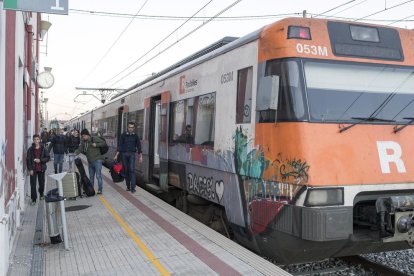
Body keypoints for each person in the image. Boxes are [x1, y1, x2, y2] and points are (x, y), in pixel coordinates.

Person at [75, 128, 106, 194]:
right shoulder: (84, 142)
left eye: (84, 136)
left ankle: (100, 190)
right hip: (90, 162)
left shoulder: (94, 138)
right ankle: (91, 190)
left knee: (98, 176)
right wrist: (74, 154)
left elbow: (103, 143)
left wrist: (96, 145)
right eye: (82, 136)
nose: (83, 137)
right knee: (91, 177)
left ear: (87, 135)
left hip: (97, 161)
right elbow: (79, 149)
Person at [114, 122, 142, 193]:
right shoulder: (123, 135)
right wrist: (116, 155)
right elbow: (120, 145)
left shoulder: (135, 136)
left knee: (132, 170)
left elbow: (139, 146)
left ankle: (133, 187)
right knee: (126, 170)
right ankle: (128, 186)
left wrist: (140, 156)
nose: (130, 129)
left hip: (132, 154)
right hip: (124, 154)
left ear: (134, 128)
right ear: (127, 127)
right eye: (129, 127)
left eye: (132, 127)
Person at [26, 134, 50, 205]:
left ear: (39, 140)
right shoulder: (30, 149)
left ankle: (41, 193)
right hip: (33, 169)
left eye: (37, 139)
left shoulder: (43, 148)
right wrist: (30, 169)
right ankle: (33, 199)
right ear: (33, 140)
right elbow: (28, 160)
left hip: (41, 168)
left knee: (41, 183)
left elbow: (48, 157)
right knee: (33, 185)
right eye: (35, 139)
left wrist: (41, 160)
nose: (36, 141)